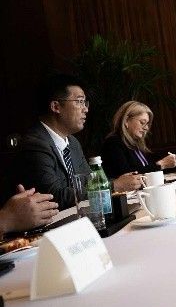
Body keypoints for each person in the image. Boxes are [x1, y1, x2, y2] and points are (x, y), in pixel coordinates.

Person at [14, 74, 143, 209]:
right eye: (80, 102)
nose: (85, 109)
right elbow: (54, 196)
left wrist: (120, 182)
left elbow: (90, 182)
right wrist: (114, 186)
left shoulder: (72, 142)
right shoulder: (35, 144)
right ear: (56, 107)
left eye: (85, 103)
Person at [101, 101, 176, 179]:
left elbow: (147, 167)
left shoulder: (135, 143)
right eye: (142, 122)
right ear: (126, 120)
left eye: (147, 124)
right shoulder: (113, 143)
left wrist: (170, 160)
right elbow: (127, 176)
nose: (146, 128)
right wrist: (162, 164)